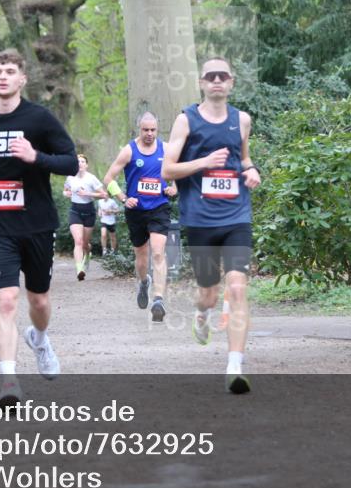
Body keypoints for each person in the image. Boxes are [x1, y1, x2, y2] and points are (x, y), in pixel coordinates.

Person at [0, 48, 79, 407]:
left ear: (22, 79)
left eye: (10, 71)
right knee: (6, 299)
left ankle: (40, 339)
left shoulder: (40, 119)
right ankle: (9, 381)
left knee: (39, 299)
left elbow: (72, 163)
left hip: (37, 224)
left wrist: (36, 158)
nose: (3, 76)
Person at [162, 57, 261, 393]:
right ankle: (202, 314)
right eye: (210, 76)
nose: (217, 81)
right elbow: (167, 170)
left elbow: (244, 158)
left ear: (231, 82)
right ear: (202, 83)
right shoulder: (185, 120)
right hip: (200, 219)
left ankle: (235, 367)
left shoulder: (242, 120)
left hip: (236, 216)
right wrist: (204, 162)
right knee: (209, 292)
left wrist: (252, 170)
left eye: (223, 76)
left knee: (236, 288)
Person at [102, 112, 178, 322]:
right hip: (136, 210)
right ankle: (144, 282)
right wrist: (123, 197)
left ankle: (159, 299)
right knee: (142, 257)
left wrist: (174, 187)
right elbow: (108, 178)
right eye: (145, 130)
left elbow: (179, 172)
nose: (149, 134)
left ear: (157, 129)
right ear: (139, 129)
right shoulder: (129, 151)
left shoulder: (167, 149)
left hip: (159, 208)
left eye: (153, 130)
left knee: (158, 252)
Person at [62, 154, 106, 280]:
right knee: (78, 241)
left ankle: (88, 253)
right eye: (78, 161)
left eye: (82, 161)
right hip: (75, 211)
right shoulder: (70, 177)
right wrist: (66, 193)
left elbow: (104, 195)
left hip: (89, 212)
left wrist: (87, 193)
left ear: (86, 165)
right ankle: (79, 269)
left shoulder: (91, 178)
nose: (80, 163)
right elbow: (65, 190)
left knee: (85, 244)